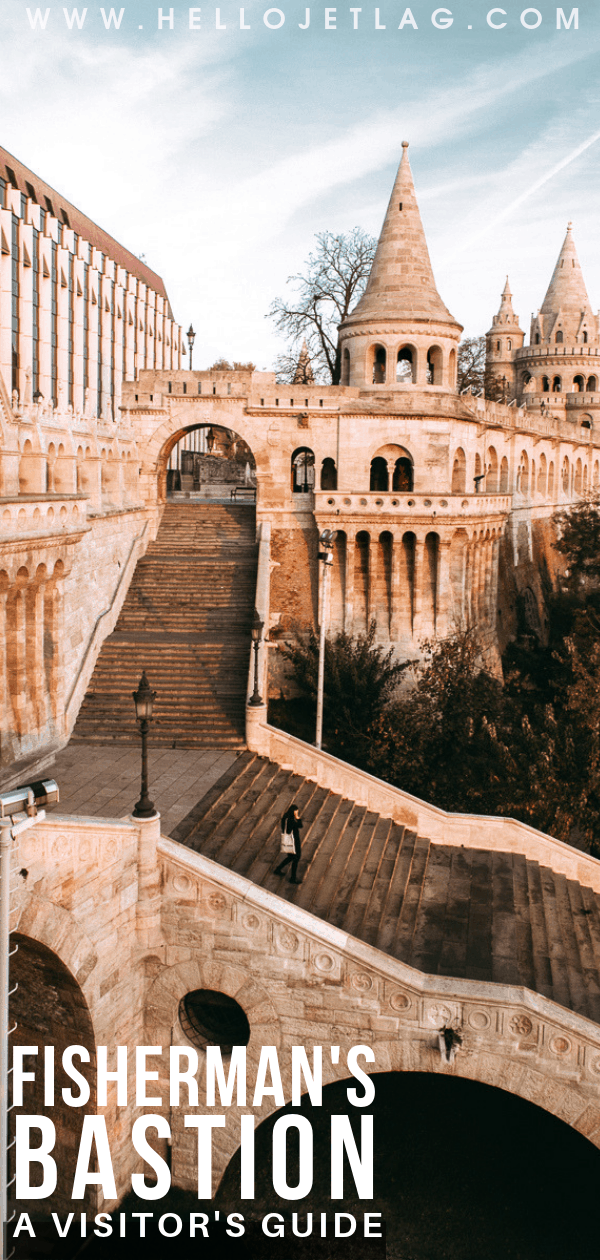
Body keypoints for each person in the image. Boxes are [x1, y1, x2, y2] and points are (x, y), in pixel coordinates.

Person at [274, 804, 303, 884]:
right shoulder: (291, 821)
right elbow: (300, 825)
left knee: (290, 857)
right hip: (293, 842)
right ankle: (293, 878)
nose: (297, 813)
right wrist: (297, 817)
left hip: (287, 841)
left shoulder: (285, 818)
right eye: (296, 812)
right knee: (296, 858)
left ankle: (278, 869)